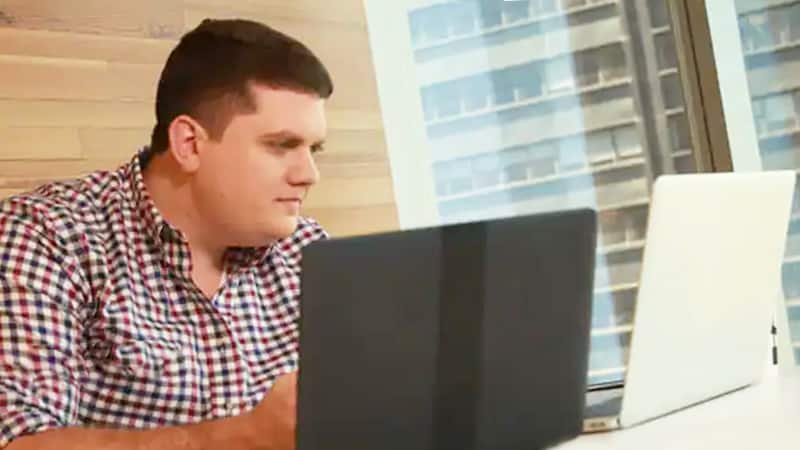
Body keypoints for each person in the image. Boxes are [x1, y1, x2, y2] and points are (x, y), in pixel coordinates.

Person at [0, 17, 332, 450]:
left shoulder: (307, 249)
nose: (310, 175)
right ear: (189, 144)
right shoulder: (49, 237)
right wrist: (245, 436)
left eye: (314, 149)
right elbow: (19, 442)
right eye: (281, 146)